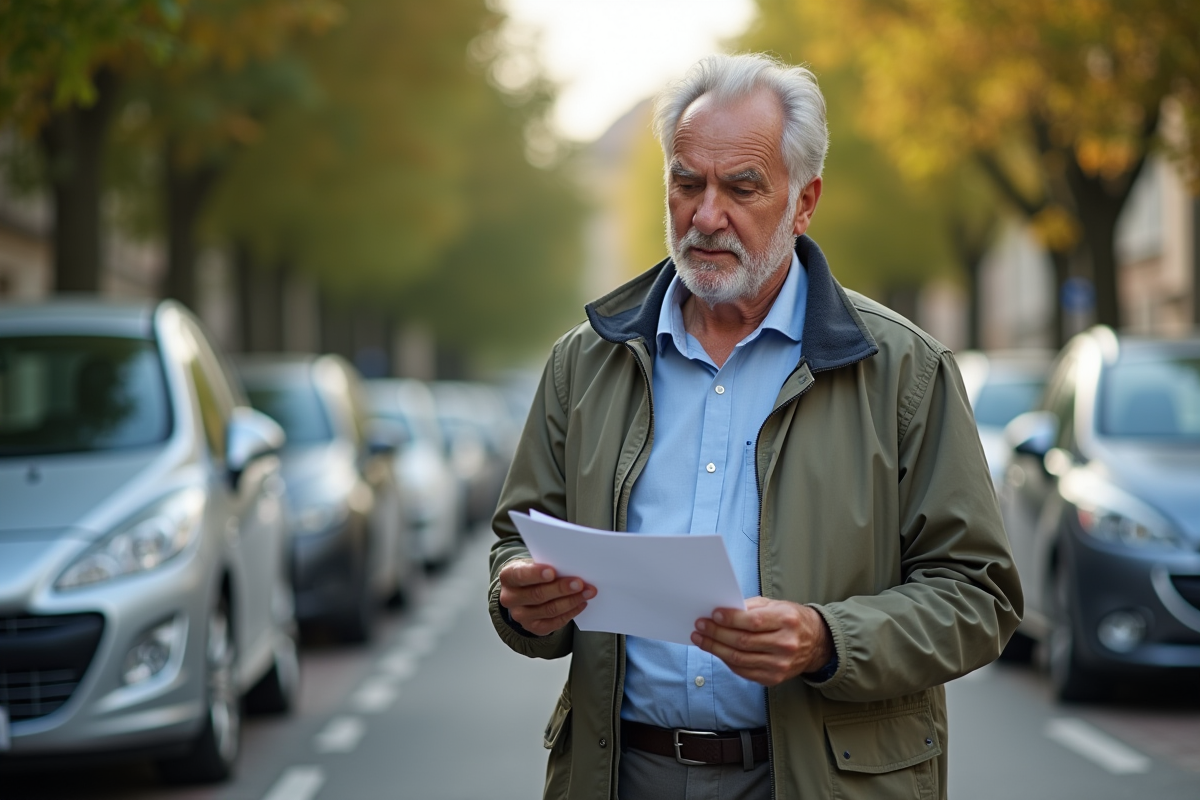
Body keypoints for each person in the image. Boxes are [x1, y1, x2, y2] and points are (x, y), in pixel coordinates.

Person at [488, 53, 1022, 800]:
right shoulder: (584, 363)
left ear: (804, 202)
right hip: (618, 774)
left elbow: (979, 594)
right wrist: (519, 599)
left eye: (741, 188)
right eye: (686, 184)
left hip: (820, 781)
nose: (707, 216)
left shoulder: (907, 370)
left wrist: (826, 638)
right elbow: (519, 537)